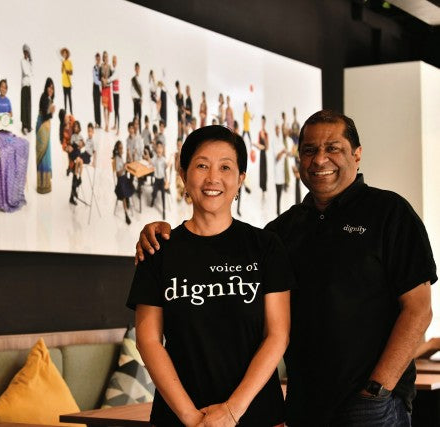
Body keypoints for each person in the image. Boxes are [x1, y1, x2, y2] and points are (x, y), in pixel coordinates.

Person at [135, 110, 437, 427]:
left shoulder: (389, 212)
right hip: (302, 405)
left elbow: (419, 309)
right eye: (309, 150)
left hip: (371, 406)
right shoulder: (280, 233)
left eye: (333, 148)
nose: (320, 159)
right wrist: (157, 234)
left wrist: (376, 390)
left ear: (357, 154)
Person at [128, 125, 292, 426]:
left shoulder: (266, 247)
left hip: (257, 416)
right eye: (202, 165)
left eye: (225, 167)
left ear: (240, 179)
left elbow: (277, 335)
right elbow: (148, 340)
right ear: (184, 175)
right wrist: (190, 417)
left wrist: (232, 410)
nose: (213, 178)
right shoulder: (157, 249)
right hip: (179, 418)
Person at [36, 78, 55, 194]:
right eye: (49, 87)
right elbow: (44, 116)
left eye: (52, 88)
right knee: (43, 155)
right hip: (42, 128)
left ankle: (46, 183)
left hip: (46, 128)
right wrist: (51, 112)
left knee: (46, 154)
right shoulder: (44, 98)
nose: (51, 89)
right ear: (46, 87)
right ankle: (42, 185)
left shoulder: (49, 98)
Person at [113, 140, 134, 225]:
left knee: (131, 183)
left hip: (124, 178)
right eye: (120, 148)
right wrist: (124, 168)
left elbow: (123, 167)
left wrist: (125, 164)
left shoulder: (120, 157)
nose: (122, 150)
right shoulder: (117, 159)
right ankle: (126, 214)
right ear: (117, 149)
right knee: (124, 194)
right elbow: (118, 174)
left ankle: (128, 201)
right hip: (120, 181)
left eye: (122, 148)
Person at [148, 141, 167, 218]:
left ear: (162, 149)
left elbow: (166, 169)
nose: (159, 149)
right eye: (158, 147)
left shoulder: (163, 159)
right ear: (156, 149)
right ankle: (152, 201)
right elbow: (150, 163)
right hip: (156, 180)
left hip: (162, 180)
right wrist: (148, 157)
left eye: (160, 147)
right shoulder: (155, 158)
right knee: (154, 193)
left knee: (163, 195)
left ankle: (163, 210)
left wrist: (166, 180)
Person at [253, 115, 269, 198]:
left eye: (263, 121)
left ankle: (264, 189)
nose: (262, 123)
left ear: (265, 122)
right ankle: (262, 189)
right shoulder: (260, 133)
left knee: (264, 171)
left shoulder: (266, 134)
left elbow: (267, 147)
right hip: (261, 154)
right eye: (261, 121)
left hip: (264, 154)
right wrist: (256, 145)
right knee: (261, 171)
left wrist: (264, 138)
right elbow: (259, 145)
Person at [20, 44, 33, 134]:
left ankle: (28, 125)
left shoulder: (28, 62)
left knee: (28, 106)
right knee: (24, 106)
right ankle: (24, 126)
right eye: (25, 52)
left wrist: (31, 60)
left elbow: (31, 71)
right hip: (24, 85)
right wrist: (29, 72)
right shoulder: (22, 61)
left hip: (29, 85)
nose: (26, 53)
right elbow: (26, 71)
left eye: (27, 52)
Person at [100, 51, 112, 132]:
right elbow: (100, 76)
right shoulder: (101, 66)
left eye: (106, 56)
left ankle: (108, 123)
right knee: (104, 107)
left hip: (108, 87)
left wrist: (107, 80)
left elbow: (111, 77)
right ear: (103, 58)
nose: (105, 58)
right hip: (103, 88)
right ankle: (106, 124)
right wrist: (102, 79)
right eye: (104, 56)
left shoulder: (109, 66)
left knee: (109, 106)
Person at [60, 47, 73, 114]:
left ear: (67, 54)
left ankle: (71, 112)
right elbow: (62, 71)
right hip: (64, 83)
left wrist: (68, 71)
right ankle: (65, 111)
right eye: (63, 53)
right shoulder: (63, 62)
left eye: (65, 53)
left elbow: (71, 72)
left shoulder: (69, 62)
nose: (64, 54)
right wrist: (62, 65)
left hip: (68, 83)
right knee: (64, 98)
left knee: (69, 98)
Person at [110, 55, 120, 134]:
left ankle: (118, 129)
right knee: (115, 109)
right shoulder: (113, 70)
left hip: (117, 93)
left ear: (116, 62)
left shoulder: (116, 71)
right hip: (113, 92)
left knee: (117, 110)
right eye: (113, 61)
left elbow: (111, 78)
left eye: (115, 61)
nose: (113, 63)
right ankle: (115, 125)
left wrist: (106, 80)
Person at [131, 62, 142, 128]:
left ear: (139, 69)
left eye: (138, 68)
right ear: (135, 69)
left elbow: (142, 89)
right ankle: (135, 130)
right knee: (135, 116)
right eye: (136, 68)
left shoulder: (140, 78)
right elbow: (131, 89)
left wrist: (142, 99)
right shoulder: (133, 79)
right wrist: (132, 97)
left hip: (139, 100)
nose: (137, 70)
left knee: (140, 116)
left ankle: (140, 131)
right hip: (135, 100)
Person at [92, 52, 102, 128]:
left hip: (102, 87)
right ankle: (96, 122)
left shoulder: (101, 67)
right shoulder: (94, 68)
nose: (98, 60)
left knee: (100, 105)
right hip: (96, 87)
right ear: (96, 59)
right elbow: (95, 80)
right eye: (97, 58)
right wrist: (101, 82)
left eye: (99, 58)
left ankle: (100, 123)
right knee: (96, 105)